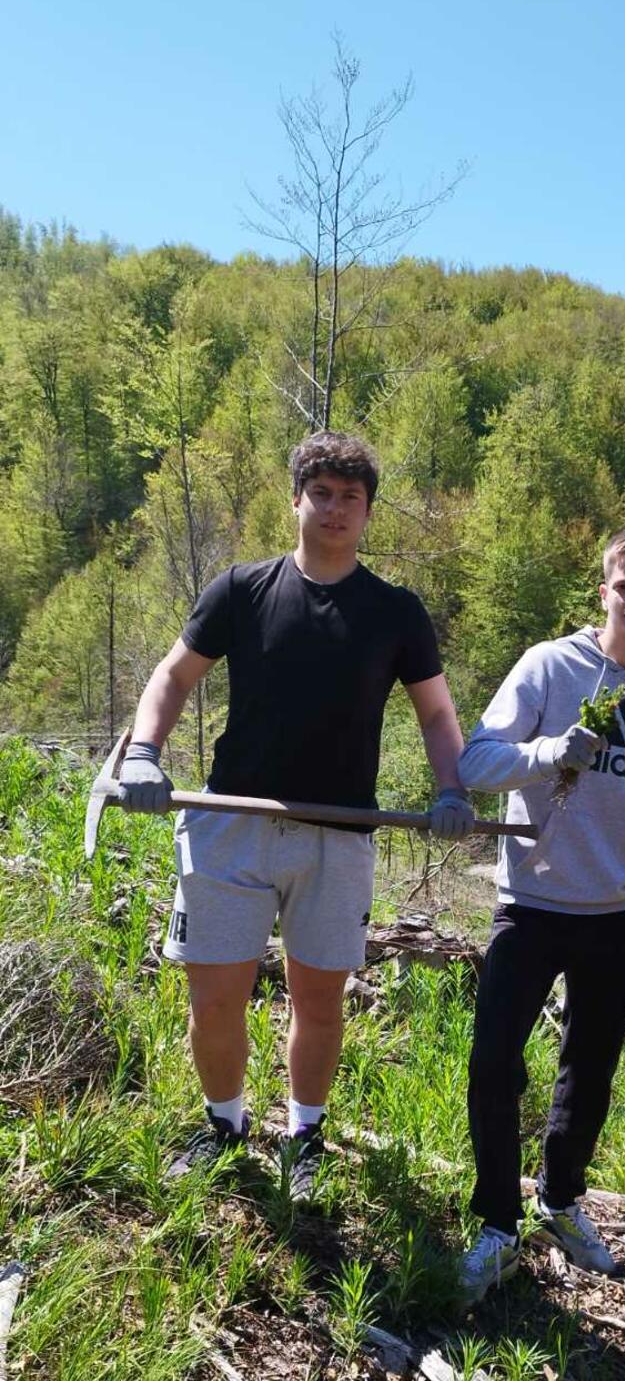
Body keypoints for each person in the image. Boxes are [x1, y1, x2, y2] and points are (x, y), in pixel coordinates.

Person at [117, 430, 474, 1196]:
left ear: (369, 512)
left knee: (319, 1002)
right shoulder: (241, 590)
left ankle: (305, 1137)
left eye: (352, 497)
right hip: (230, 825)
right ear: (297, 501)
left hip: (337, 837)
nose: (336, 508)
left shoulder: (396, 613)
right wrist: (144, 754)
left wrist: (451, 789)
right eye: (323, 493)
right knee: (216, 999)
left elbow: (438, 718)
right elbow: (172, 678)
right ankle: (225, 1125)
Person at [456, 528, 625, 1303]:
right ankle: (496, 1224)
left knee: (587, 1074)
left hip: (621, 918)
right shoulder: (547, 666)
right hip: (530, 905)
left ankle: (559, 1201)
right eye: (621, 585)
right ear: (603, 591)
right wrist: (552, 751)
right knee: (494, 1060)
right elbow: (476, 762)